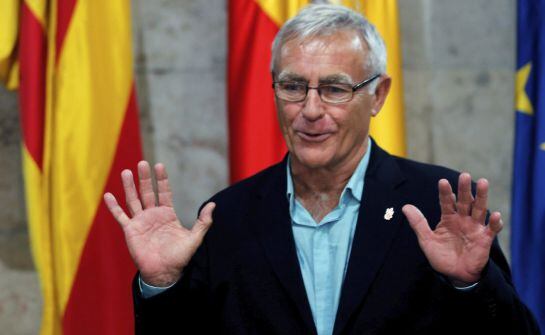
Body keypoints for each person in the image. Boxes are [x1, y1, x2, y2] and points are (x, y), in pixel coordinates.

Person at [103, 4, 540, 335]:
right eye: (293, 86)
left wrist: (472, 286)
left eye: (334, 89)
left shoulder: (436, 205)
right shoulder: (225, 217)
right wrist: (160, 286)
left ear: (379, 95)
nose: (310, 111)